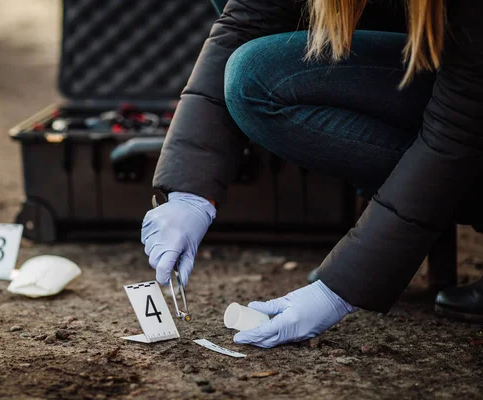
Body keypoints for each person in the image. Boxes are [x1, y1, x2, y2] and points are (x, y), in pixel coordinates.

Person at [141, 0, 483, 348]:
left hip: (470, 91)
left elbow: (461, 125)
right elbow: (246, 23)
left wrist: (344, 286)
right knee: (257, 78)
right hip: (435, 61)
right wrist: (190, 191)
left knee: (253, 73)